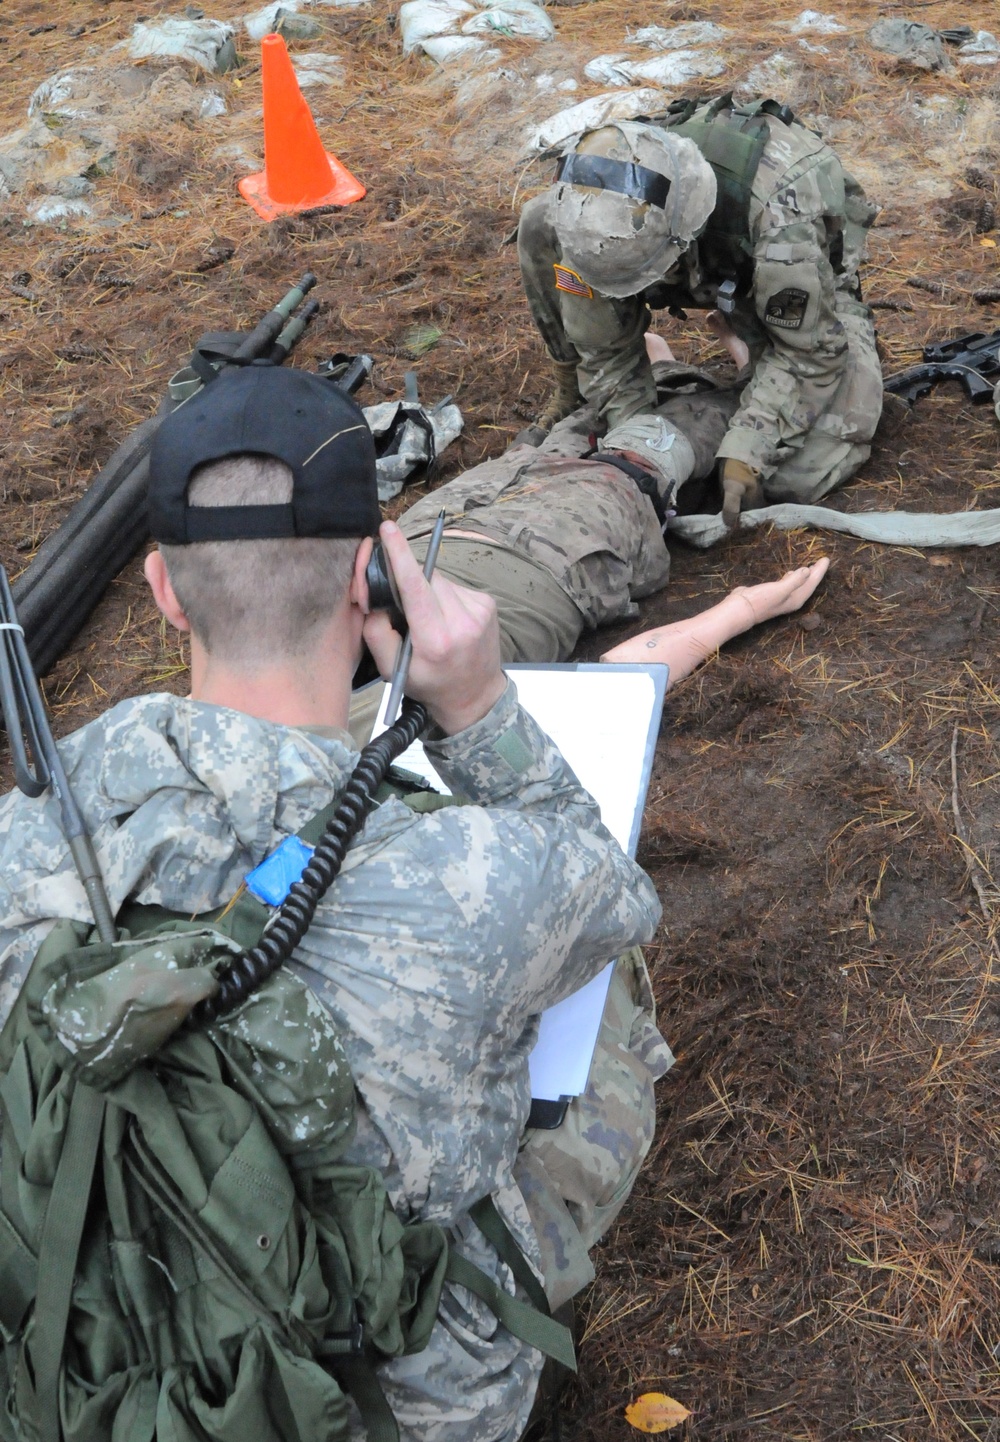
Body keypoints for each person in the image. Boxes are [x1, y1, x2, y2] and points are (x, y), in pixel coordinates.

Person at [0, 364, 669, 1442]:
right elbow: (615, 891)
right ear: (372, 578)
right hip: (387, 1407)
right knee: (610, 1014)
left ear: (165, 589)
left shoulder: (26, 831)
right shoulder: (468, 878)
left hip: (97, 1368)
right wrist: (480, 704)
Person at [516, 94, 884, 523]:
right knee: (535, 222)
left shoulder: (783, 221)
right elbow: (605, 353)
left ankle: (748, 343)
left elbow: (812, 351)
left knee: (798, 475)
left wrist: (750, 445)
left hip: (794, 289)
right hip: (691, 263)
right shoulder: (585, 221)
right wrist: (640, 441)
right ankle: (570, 385)